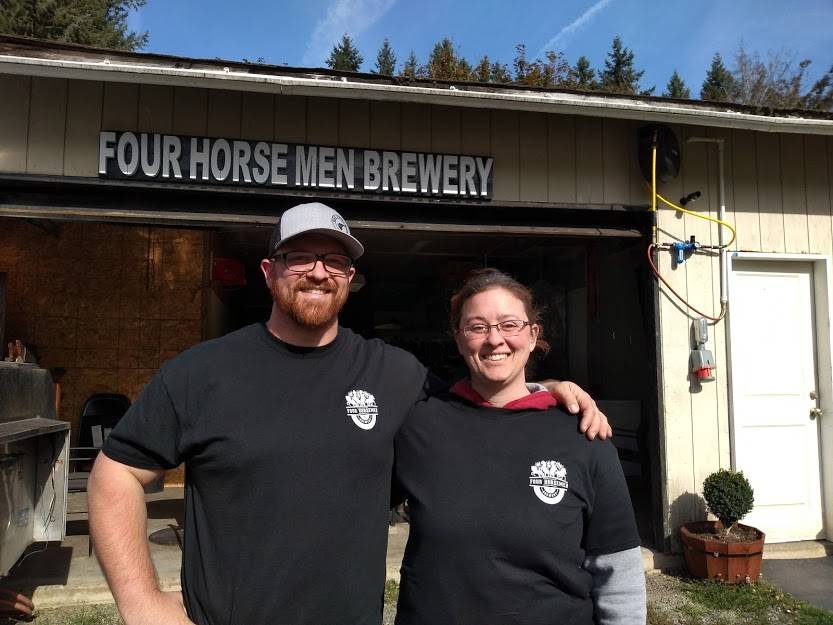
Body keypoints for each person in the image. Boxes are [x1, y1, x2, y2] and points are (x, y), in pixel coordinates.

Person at [88, 202, 611, 625]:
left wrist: (545, 385)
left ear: (350, 277)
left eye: (334, 261)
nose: (318, 272)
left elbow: (480, 401)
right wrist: (143, 605)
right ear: (269, 271)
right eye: (300, 257)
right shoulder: (202, 372)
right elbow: (115, 475)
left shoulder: (394, 374)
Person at [394, 268, 645, 625]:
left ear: (532, 335)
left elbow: (617, 569)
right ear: (458, 338)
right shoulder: (420, 424)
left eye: (509, 325)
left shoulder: (582, 434)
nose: (494, 339)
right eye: (477, 327)